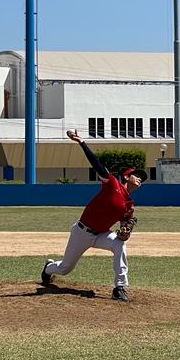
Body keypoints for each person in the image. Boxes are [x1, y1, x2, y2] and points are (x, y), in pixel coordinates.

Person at [41, 129, 146, 301]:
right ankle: (48, 268)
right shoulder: (112, 184)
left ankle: (120, 287)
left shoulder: (129, 205)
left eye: (143, 178)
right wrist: (81, 142)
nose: (141, 179)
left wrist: (125, 232)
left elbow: (126, 224)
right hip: (82, 232)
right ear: (127, 177)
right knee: (65, 268)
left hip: (101, 234)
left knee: (119, 245)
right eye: (138, 175)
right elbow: (97, 164)